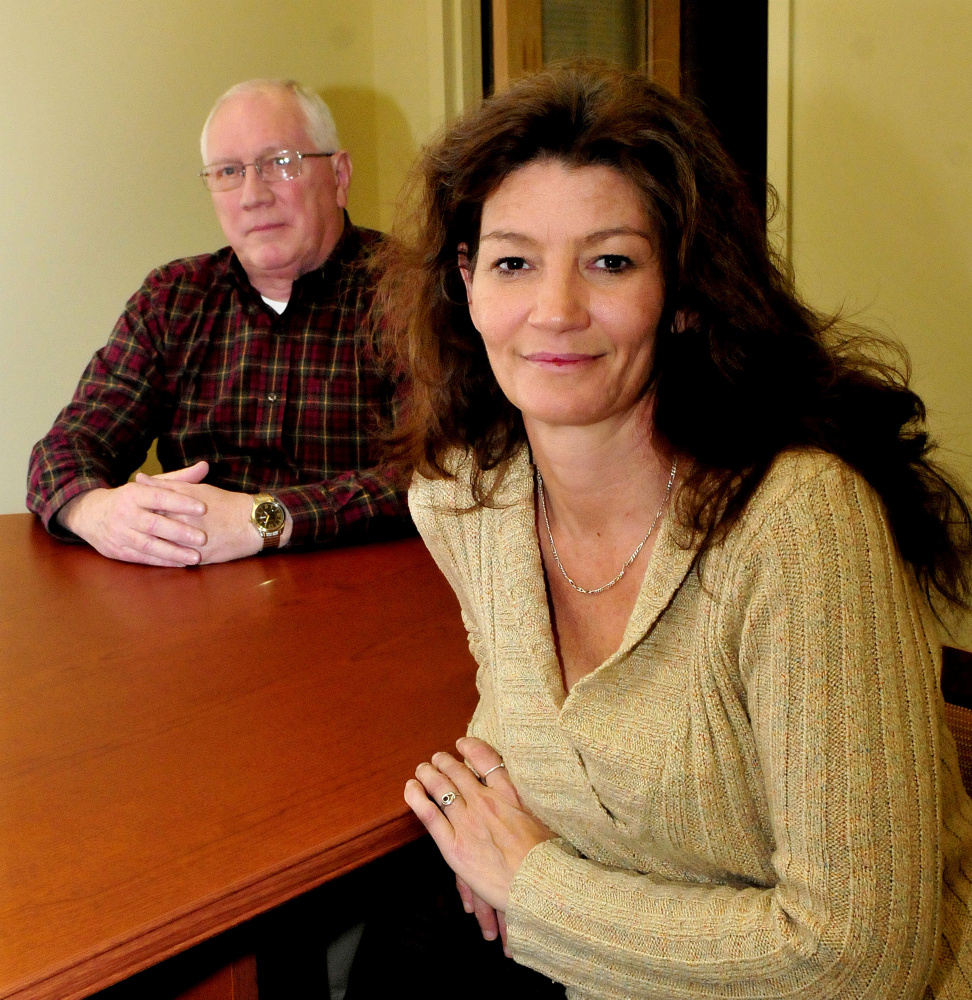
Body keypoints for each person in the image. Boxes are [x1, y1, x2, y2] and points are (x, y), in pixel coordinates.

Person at [374, 64, 972, 998]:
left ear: (685, 292)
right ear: (466, 281)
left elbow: (860, 960)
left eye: (610, 260)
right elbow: (527, 708)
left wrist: (532, 889)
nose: (555, 310)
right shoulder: (464, 500)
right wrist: (478, 816)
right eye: (513, 261)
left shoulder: (798, 527)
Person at [27, 79, 409, 567]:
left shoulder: (409, 294)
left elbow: (441, 474)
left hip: (366, 594)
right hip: (194, 597)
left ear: (339, 175)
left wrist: (264, 520)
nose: (253, 195)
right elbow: (66, 447)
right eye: (229, 171)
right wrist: (98, 510)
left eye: (280, 163)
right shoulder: (172, 298)